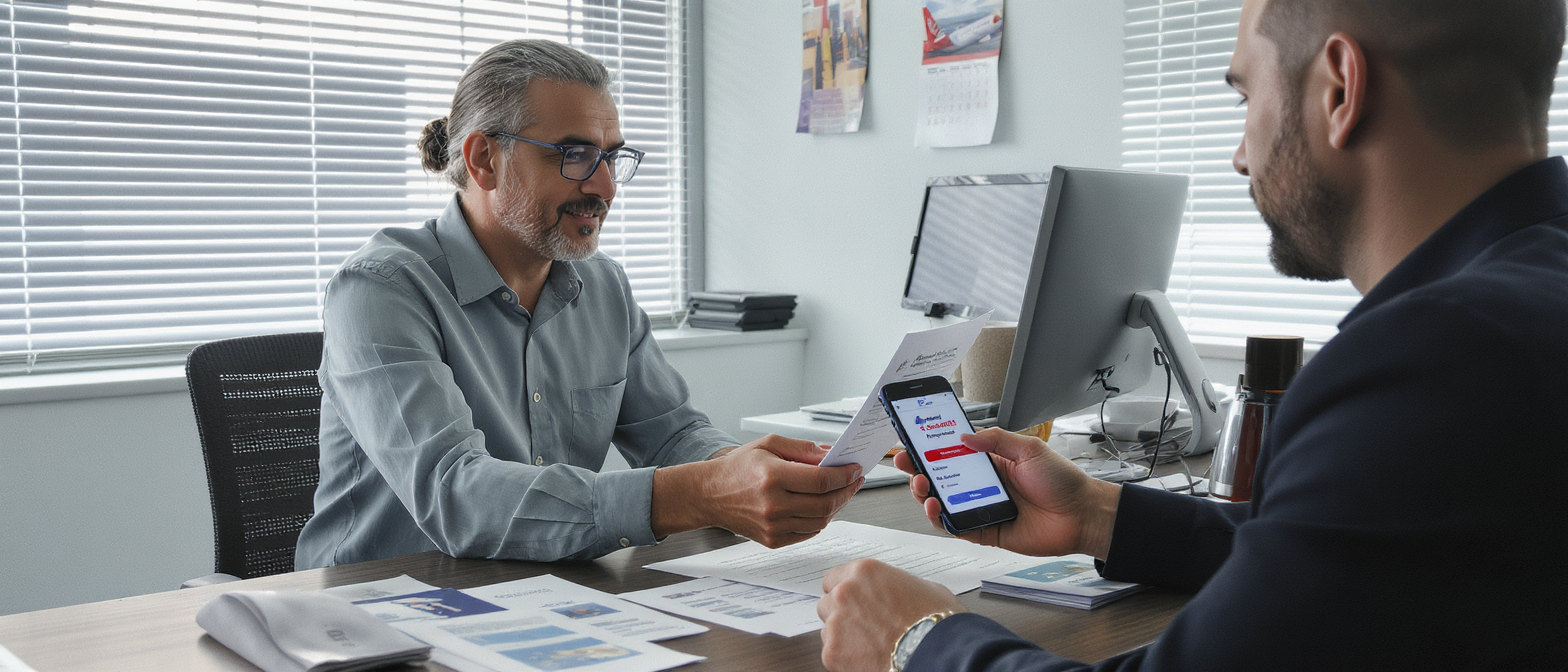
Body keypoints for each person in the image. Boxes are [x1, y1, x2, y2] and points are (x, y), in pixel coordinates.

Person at [816, 0, 1568, 669]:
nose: (1240, 154)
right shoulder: (1527, 305)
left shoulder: (1429, 361)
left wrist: (917, 640)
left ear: (1339, 89)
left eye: (1246, 95)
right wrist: (1100, 516)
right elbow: (1361, 560)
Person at [295, 40, 863, 569]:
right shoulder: (380, 288)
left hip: (550, 595)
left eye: (611, 158)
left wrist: (742, 470)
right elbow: (456, 496)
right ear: (483, 159)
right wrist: (703, 493)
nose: (606, 187)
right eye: (574, 156)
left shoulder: (604, 287)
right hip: (379, 612)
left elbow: (670, 436)